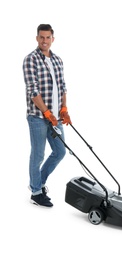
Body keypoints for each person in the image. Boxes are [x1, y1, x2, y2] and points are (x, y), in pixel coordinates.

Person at [23, 24, 72, 207]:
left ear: (53, 38)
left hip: (56, 118)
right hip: (37, 117)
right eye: (41, 37)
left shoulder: (58, 60)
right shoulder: (31, 60)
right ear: (37, 38)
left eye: (48, 37)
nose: (44, 41)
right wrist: (46, 112)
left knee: (60, 151)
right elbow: (33, 91)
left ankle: (38, 182)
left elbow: (63, 87)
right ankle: (36, 192)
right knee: (38, 154)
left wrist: (64, 109)